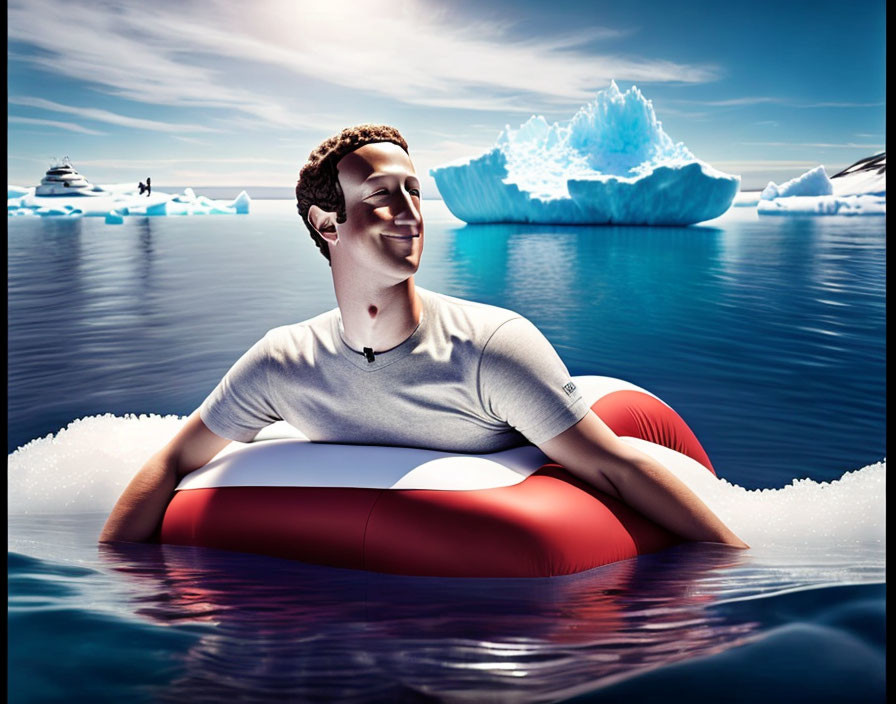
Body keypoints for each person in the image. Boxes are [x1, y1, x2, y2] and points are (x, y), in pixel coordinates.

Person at [100, 124, 747, 550]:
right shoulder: (282, 363)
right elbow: (174, 461)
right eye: (382, 194)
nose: (410, 212)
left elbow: (615, 466)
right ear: (328, 225)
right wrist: (122, 590)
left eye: (414, 190)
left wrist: (735, 568)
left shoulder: (491, 347)